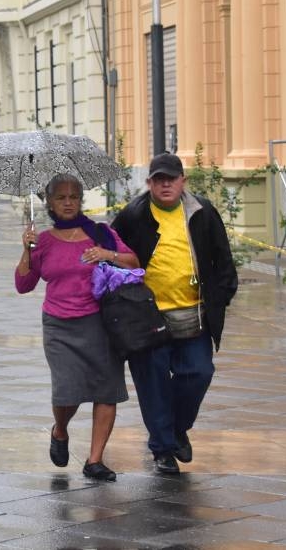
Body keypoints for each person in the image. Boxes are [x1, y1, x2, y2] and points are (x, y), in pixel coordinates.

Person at [111, 153, 238, 475]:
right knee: (152, 384)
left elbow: (223, 260)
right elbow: (113, 256)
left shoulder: (202, 212)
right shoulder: (133, 215)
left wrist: (220, 297)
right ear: (149, 183)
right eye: (159, 179)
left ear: (183, 181)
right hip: (147, 318)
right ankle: (163, 449)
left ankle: (177, 429)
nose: (166, 184)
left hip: (193, 314)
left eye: (172, 178)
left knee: (198, 372)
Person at [15, 173, 140, 482]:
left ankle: (94, 460)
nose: (68, 202)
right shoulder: (42, 240)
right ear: (50, 204)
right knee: (66, 391)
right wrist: (27, 251)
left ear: (81, 201)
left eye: (74, 196)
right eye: (61, 197)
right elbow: (23, 284)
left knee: (107, 390)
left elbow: (135, 263)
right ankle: (60, 430)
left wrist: (107, 254)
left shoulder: (100, 232)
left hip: (100, 322)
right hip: (59, 325)